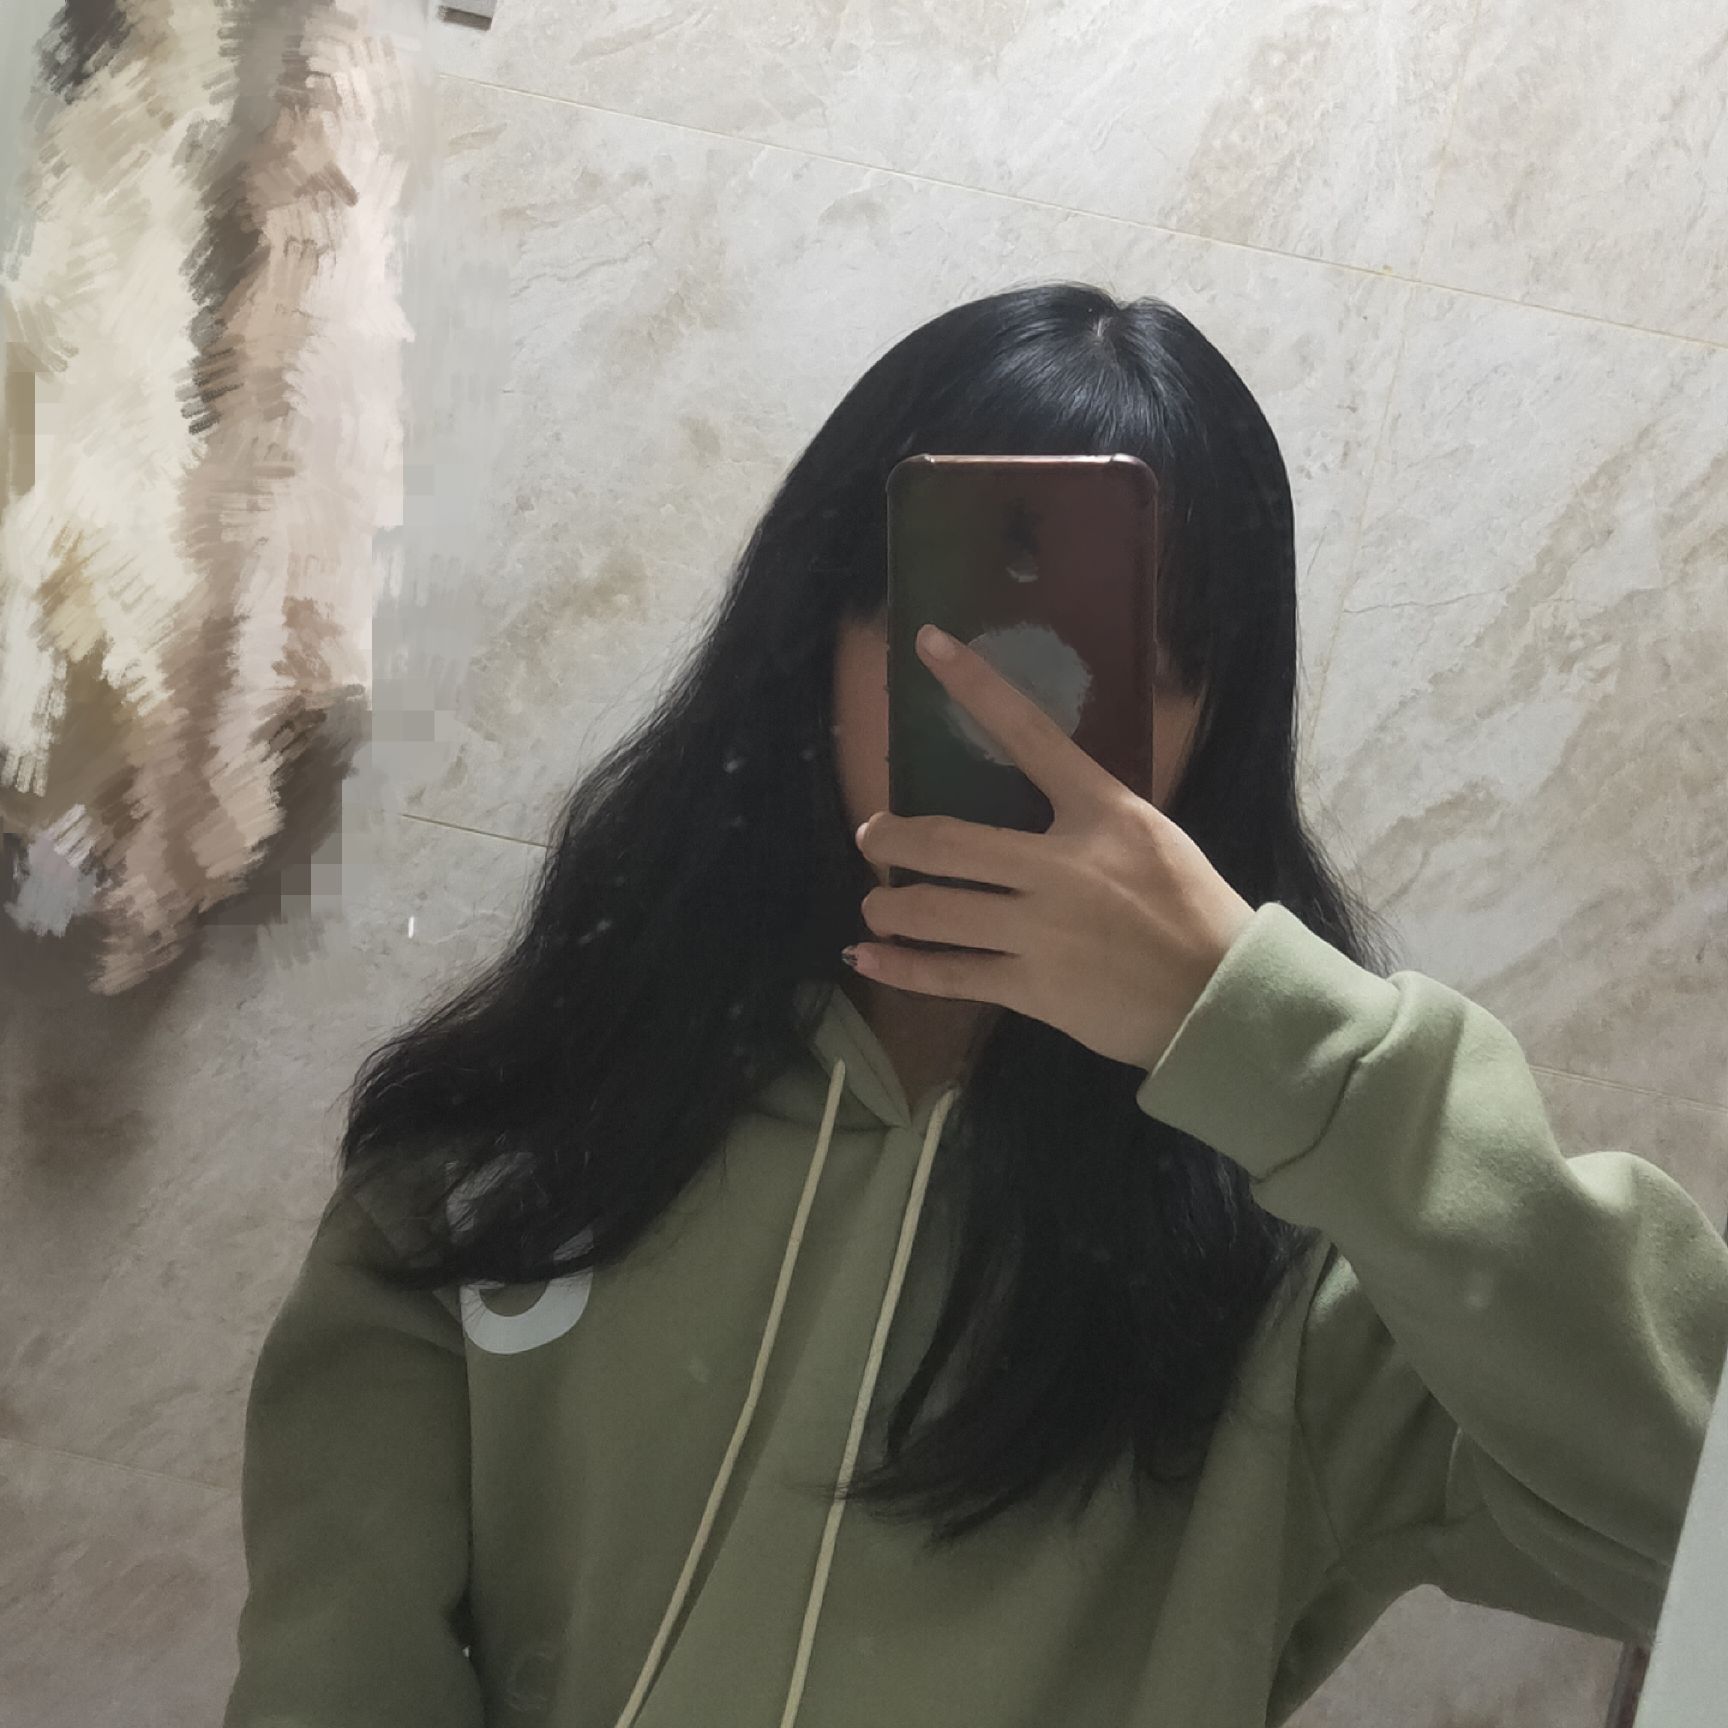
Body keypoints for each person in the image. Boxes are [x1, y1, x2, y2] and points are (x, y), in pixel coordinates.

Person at [222, 282, 1728, 1728]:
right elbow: (335, 1677)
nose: (1027, 714)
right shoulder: (530, 1134)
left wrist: (1284, 1050)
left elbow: (1694, 1520)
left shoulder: (1312, 1267)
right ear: (817, 635)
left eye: (1130, 662)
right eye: (964, 633)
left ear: (1218, 720)